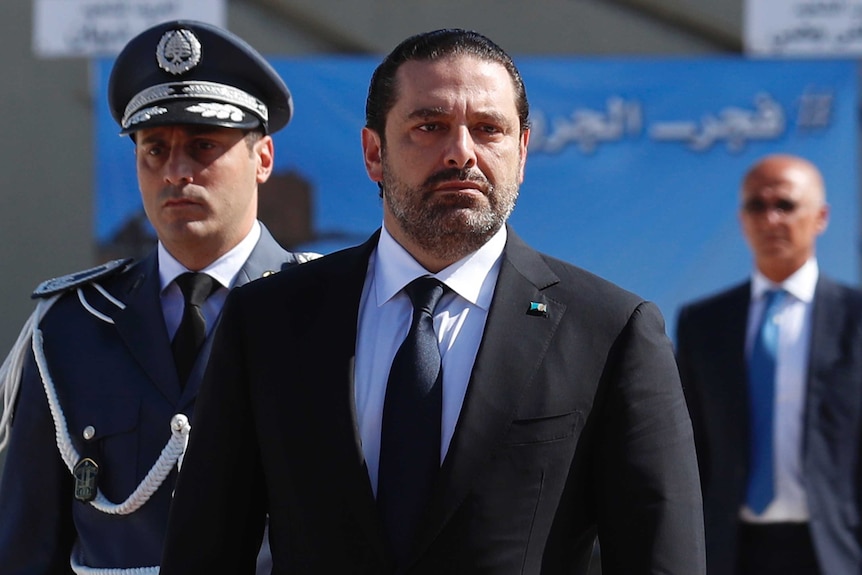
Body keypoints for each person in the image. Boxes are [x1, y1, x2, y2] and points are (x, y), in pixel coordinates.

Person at [160, 28, 705, 574]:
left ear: (521, 152)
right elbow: (206, 550)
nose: (462, 154)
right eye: (430, 127)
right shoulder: (269, 321)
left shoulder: (609, 332)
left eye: (488, 129)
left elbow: (661, 558)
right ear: (374, 152)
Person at [0, 20, 317, 574]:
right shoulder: (71, 325)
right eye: (155, 149)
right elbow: (27, 541)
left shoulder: (327, 309)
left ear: (263, 159)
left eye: (202, 146)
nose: (176, 172)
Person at [675, 153, 862, 575]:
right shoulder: (704, 324)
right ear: (742, 218)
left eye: (786, 205)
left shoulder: (855, 319)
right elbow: (690, 447)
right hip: (732, 550)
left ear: (821, 217)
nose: (771, 219)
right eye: (756, 206)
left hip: (837, 548)